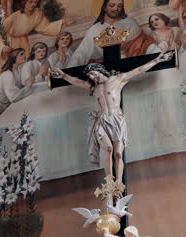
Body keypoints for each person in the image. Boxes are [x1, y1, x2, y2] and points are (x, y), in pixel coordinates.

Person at [50, 51, 174, 190]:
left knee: (118, 154)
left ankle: (119, 183)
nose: (91, 77)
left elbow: (139, 70)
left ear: (99, 70)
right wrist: (64, 75)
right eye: (89, 76)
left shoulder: (118, 79)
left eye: (92, 73)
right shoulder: (93, 87)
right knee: (108, 149)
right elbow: (76, 81)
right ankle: (109, 182)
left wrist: (157, 60)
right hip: (102, 120)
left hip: (117, 120)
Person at [67, 0, 160, 67]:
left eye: (120, 6)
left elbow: (144, 43)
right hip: (107, 70)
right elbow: (81, 53)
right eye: (112, 5)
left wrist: (160, 56)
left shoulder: (130, 22)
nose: (116, 8)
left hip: (133, 66)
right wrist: (67, 73)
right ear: (104, 7)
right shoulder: (95, 30)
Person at [0, 0, 71, 77]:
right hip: (8, 42)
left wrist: (62, 22)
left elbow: (45, 28)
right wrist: (3, 46)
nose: (33, 4)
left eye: (35, 2)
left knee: (22, 72)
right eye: (31, 2)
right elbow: (0, 31)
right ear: (23, 2)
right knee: (7, 73)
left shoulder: (37, 13)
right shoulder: (15, 15)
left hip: (22, 45)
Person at [0, 48, 36, 123]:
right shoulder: (8, 74)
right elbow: (14, 97)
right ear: (14, 57)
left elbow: (19, 90)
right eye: (21, 54)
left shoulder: (17, 71)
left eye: (24, 54)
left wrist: (28, 84)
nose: (24, 56)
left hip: (7, 108)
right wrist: (28, 86)